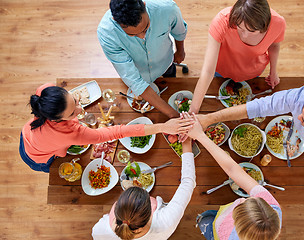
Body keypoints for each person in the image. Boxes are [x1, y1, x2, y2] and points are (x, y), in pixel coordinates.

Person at [196, 85, 304, 185]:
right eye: (300, 113)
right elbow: (258, 106)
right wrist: (210, 118)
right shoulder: (302, 97)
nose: (297, 119)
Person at [19, 83, 194, 173]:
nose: (81, 110)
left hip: (27, 134)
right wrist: (163, 126)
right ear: (56, 119)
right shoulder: (70, 134)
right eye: (73, 113)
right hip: (37, 157)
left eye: (76, 101)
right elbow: (118, 132)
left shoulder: (44, 92)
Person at [182, 112, 281, 240]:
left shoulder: (226, 235)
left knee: (204, 221)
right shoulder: (272, 208)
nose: (242, 199)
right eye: (249, 200)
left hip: (217, 232)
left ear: (237, 226)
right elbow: (232, 169)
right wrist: (200, 135)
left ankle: (202, 221)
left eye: (242, 204)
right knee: (209, 215)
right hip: (223, 216)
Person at [190, 0, 286, 114]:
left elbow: (274, 45)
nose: (244, 35)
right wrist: (193, 111)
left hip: (253, 70)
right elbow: (207, 72)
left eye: (252, 31)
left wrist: (273, 72)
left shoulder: (278, 23)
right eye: (240, 28)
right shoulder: (221, 21)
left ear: (265, 25)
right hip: (222, 68)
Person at [97, 0, 187, 118]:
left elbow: (179, 32)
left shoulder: (167, 9)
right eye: (132, 35)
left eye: (146, 28)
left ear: (144, 5)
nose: (142, 36)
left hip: (165, 63)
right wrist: (173, 114)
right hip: (139, 72)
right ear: (115, 20)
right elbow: (135, 81)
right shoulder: (107, 33)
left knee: (172, 81)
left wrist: (180, 51)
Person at [91, 138, 196, 240]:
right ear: (149, 211)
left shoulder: (100, 231)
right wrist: (186, 142)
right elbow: (188, 183)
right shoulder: (166, 221)